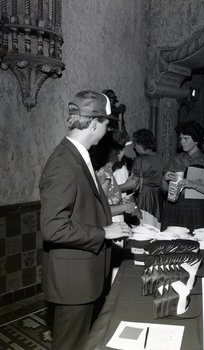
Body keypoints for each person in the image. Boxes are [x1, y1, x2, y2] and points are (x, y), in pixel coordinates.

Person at [39, 91, 131, 350]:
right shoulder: (63, 164)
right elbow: (53, 228)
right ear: (93, 123)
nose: (107, 129)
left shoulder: (80, 155)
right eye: (106, 123)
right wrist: (104, 232)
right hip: (73, 281)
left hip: (83, 276)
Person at [161, 121, 204, 232]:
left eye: (186, 138)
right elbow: (164, 189)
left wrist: (193, 184)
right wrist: (165, 179)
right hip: (175, 207)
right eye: (180, 139)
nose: (182, 142)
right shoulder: (175, 159)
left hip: (198, 208)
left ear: (196, 140)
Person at [130, 128, 163, 228]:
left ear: (140, 144)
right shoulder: (159, 158)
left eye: (135, 144)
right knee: (155, 228)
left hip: (143, 198)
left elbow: (132, 184)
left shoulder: (139, 160)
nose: (135, 148)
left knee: (142, 229)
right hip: (157, 198)